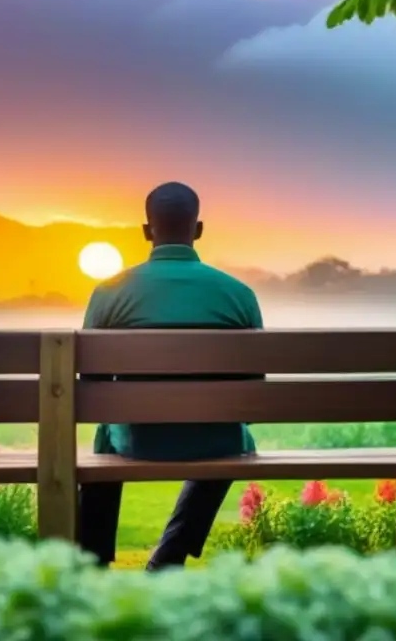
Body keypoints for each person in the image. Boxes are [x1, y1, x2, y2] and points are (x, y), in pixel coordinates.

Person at [78, 181, 263, 571]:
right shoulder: (239, 294)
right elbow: (254, 388)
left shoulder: (111, 292)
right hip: (216, 439)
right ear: (198, 230)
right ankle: (170, 555)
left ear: (147, 231)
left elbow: (91, 383)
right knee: (237, 436)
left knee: (104, 434)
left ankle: (92, 559)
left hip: (137, 439)